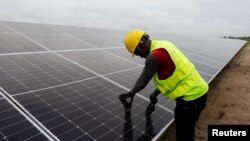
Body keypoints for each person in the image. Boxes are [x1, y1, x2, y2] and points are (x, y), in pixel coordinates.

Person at [118, 29, 209, 141]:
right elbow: (171, 74)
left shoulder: (154, 56)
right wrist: (155, 93)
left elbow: (143, 81)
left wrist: (131, 93)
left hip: (190, 98)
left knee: (183, 133)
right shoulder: (164, 44)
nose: (139, 56)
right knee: (188, 128)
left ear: (141, 45)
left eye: (137, 53)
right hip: (199, 91)